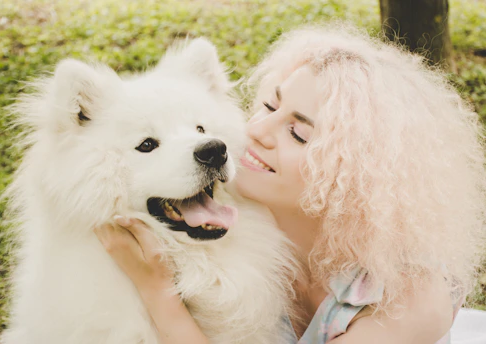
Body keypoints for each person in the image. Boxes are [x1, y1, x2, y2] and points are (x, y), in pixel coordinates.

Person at [94, 25, 486, 344]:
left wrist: (158, 292)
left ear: (352, 176)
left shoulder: (411, 297)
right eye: (268, 106)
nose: (259, 130)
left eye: (297, 133)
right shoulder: (238, 229)